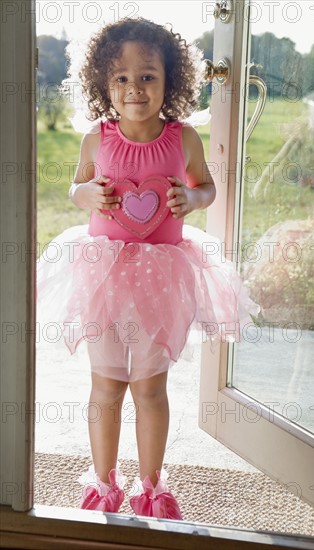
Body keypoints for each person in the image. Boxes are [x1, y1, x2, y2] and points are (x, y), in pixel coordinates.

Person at [37, 17, 259, 520]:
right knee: (106, 384)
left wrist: (193, 197)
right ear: (102, 84)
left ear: (170, 81)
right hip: (103, 276)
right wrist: (85, 193)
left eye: (147, 76)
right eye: (120, 77)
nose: (134, 88)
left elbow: (206, 186)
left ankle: (153, 485)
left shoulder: (183, 140)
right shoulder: (97, 138)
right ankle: (103, 481)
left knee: (151, 386)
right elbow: (77, 187)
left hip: (164, 278)